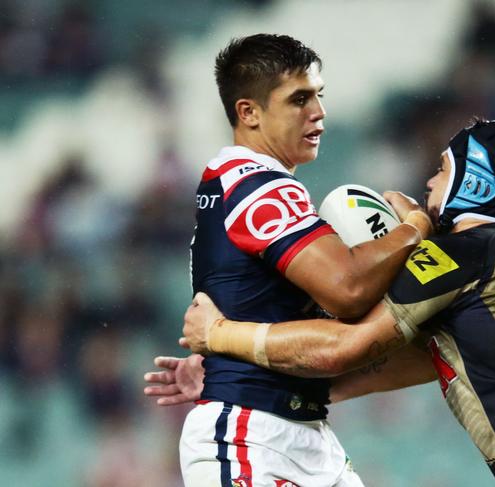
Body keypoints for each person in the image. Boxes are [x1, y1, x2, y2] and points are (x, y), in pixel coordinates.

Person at [154, 119, 495, 486]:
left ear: (473, 181)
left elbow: (347, 347)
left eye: (442, 169)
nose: (430, 183)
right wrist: (239, 374)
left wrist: (220, 336)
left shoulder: (459, 254)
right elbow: (402, 361)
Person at [156, 33, 432, 487]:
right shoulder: (257, 185)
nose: (318, 112)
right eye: (299, 99)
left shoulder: (239, 184)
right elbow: (348, 288)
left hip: (299, 431)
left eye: (319, 95)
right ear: (248, 112)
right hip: (250, 436)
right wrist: (414, 229)